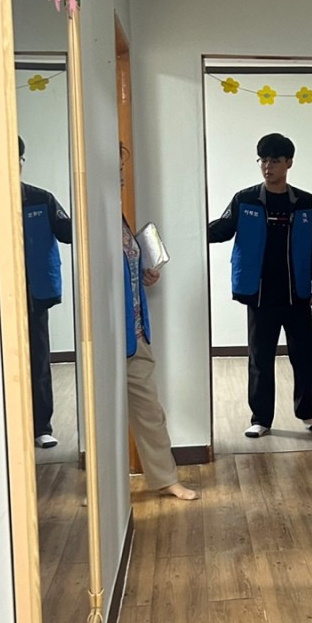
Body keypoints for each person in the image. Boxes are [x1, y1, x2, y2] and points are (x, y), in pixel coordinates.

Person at [208, 133, 312, 438]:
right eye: (263, 160)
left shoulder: (303, 201)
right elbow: (222, 229)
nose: (267, 166)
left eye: (274, 160)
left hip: (297, 295)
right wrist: (192, 229)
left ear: (289, 163)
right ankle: (261, 418)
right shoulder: (245, 199)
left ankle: (306, 411)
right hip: (260, 295)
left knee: (306, 356)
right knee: (260, 359)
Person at [122, 145, 197, 501]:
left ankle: (165, 478)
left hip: (135, 334)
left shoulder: (119, 217)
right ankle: (103, 488)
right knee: (104, 420)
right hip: (107, 339)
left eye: (121, 171)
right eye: (115, 171)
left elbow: (122, 269)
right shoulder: (93, 218)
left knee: (150, 412)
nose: (121, 178)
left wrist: (142, 274)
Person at [20, 136, 72, 449]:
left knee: (38, 359)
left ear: (21, 163)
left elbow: (69, 233)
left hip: (35, 294)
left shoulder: (42, 199)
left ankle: (42, 427)